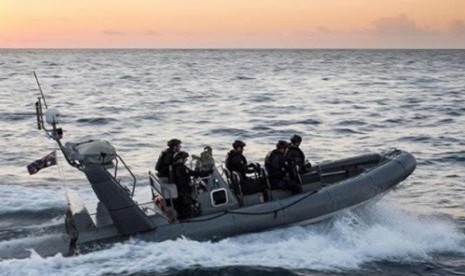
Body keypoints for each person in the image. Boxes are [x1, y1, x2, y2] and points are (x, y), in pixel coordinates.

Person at [172, 151, 212, 219]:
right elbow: (192, 173)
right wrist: (207, 172)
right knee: (187, 207)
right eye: (185, 158)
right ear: (181, 159)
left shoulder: (175, 167)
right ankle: (187, 219)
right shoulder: (181, 168)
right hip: (183, 191)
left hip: (180, 190)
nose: (186, 160)